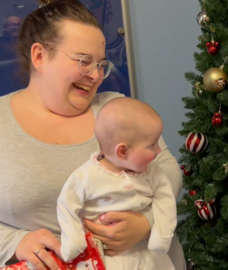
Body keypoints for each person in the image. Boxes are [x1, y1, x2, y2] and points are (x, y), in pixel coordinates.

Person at [0, 1, 184, 270]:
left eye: (101, 64)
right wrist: (14, 241)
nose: (97, 75)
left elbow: (167, 168)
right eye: (84, 61)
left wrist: (147, 222)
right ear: (39, 56)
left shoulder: (114, 109)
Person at [57, 97, 177, 269]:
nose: (159, 150)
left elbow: (165, 199)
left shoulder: (153, 172)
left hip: (148, 253)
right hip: (106, 257)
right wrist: (73, 240)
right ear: (122, 151)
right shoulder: (85, 176)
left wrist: (162, 235)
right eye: (152, 145)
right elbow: (66, 205)